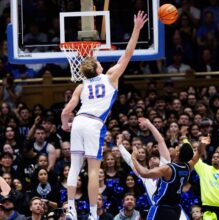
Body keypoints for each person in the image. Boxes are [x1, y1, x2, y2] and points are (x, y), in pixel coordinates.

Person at [60, 11, 148, 220]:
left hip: (79, 120)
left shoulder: (81, 86)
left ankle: (71, 208)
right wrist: (136, 28)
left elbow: (66, 111)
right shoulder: (110, 76)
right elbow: (128, 53)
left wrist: (65, 124)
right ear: (98, 68)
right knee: (92, 171)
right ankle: (92, 214)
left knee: (74, 166)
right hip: (94, 124)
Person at [131, 135, 208, 220]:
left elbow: (144, 173)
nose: (175, 147)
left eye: (177, 147)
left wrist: (134, 158)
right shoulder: (188, 167)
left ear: (178, 153)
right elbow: (199, 153)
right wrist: (202, 144)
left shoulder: (168, 169)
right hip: (176, 210)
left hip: (161, 209)